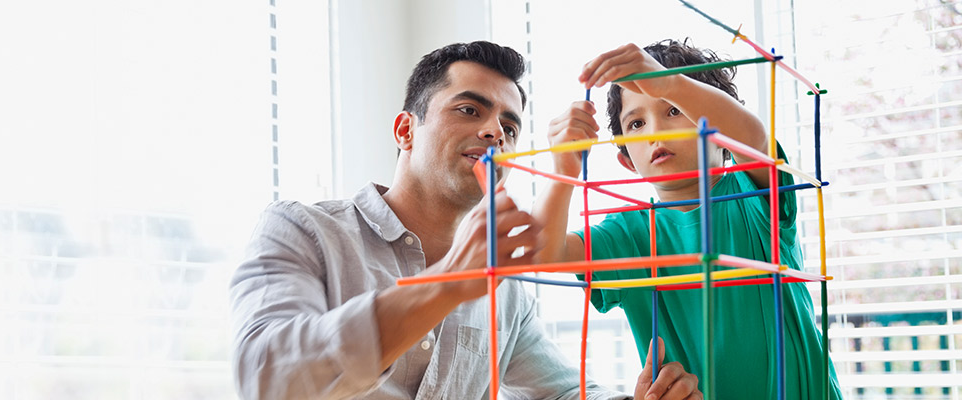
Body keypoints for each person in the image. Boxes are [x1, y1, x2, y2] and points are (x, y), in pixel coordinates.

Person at [230, 40, 702, 400]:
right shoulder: (303, 231)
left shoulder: (507, 293)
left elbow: (560, 393)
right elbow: (266, 375)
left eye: (510, 127)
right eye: (469, 109)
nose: (495, 131)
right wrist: (449, 282)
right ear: (405, 130)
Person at [532, 39, 841, 399]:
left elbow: (753, 138)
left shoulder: (754, 197)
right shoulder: (629, 235)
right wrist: (563, 170)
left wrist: (672, 83)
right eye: (635, 123)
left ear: (724, 137)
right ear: (626, 161)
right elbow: (543, 253)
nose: (655, 132)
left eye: (674, 111)